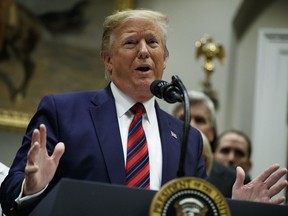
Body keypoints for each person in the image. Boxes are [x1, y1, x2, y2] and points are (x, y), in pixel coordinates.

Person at [0, 9, 287, 216]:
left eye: (152, 42)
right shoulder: (63, 112)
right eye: (130, 42)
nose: (143, 52)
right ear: (108, 60)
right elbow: (9, 194)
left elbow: (192, 208)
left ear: (164, 59)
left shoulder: (187, 137)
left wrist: (232, 208)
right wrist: (31, 187)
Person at [173, 90, 250, 197]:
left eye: (200, 120)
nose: (191, 125)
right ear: (171, 126)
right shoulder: (154, 164)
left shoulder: (234, 180)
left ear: (211, 133)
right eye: (184, 118)